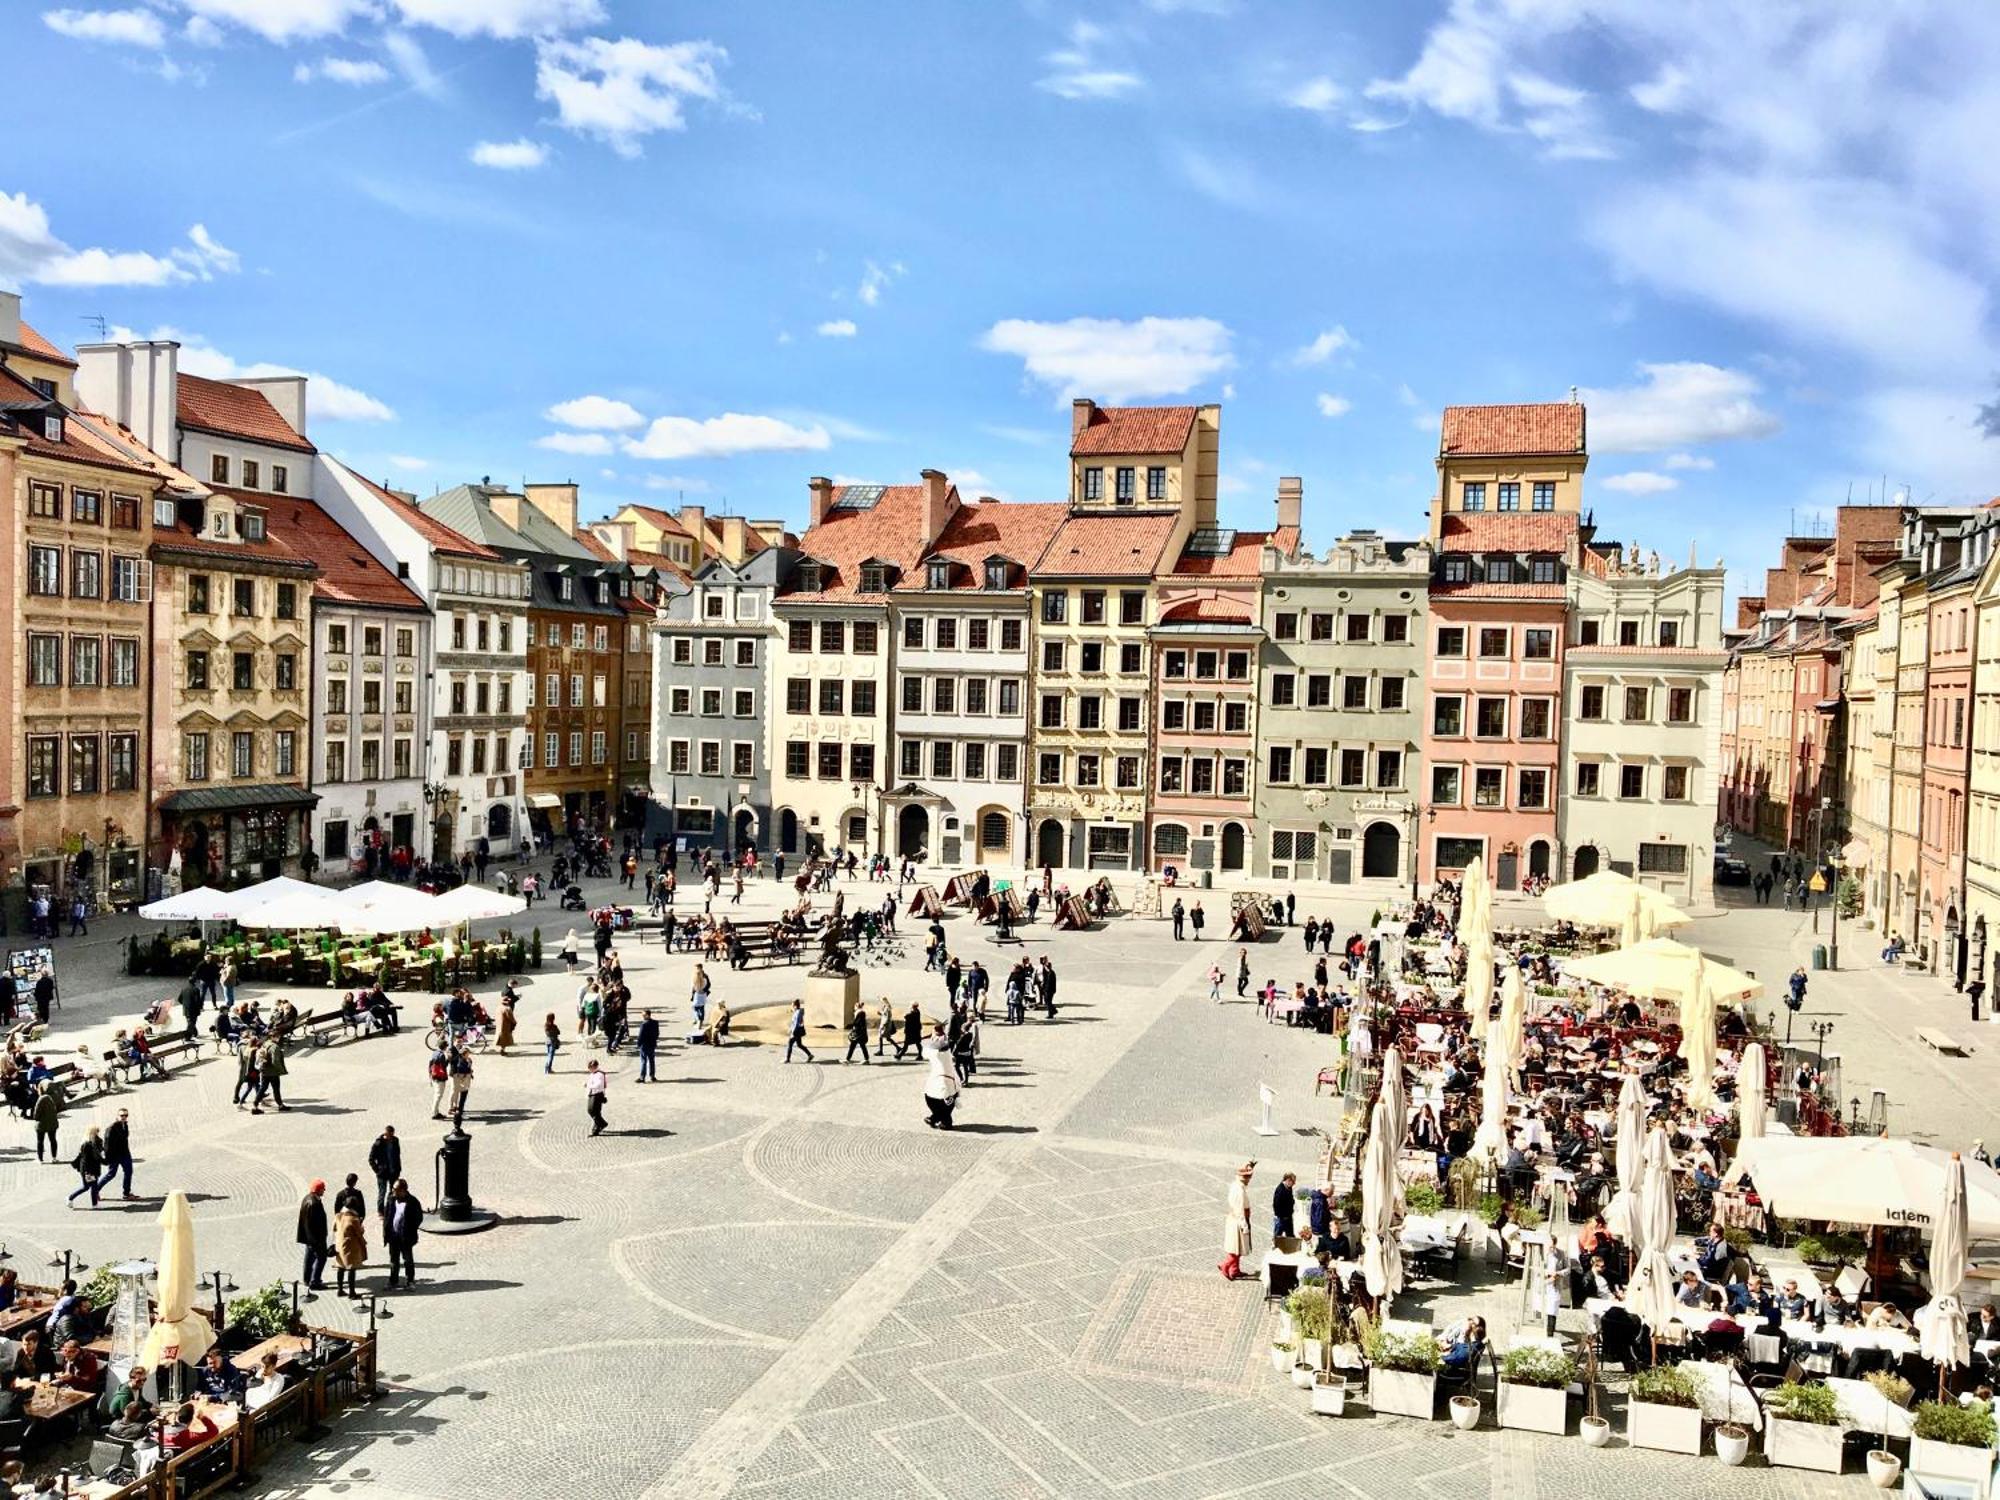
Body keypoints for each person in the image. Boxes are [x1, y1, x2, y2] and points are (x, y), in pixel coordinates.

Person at [383, 1179, 424, 1287]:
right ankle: (393, 1280)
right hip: (393, 1236)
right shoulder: (391, 1199)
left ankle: (410, 1280)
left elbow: (418, 1218)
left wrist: (410, 1229)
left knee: (408, 1260)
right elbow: (387, 1216)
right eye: (393, 1189)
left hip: (406, 1237)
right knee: (393, 1261)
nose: (393, 1191)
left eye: (395, 1190)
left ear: (403, 1190)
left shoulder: (412, 1202)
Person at [1219, 1162, 1254, 1280]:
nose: (1249, 1180)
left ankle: (1235, 1270)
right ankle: (1226, 1266)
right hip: (1238, 1221)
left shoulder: (1237, 1185)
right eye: (1248, 1177)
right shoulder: (1239, 1191)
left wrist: (1249, 1166)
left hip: (1234, 1219)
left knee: (1237, 1247)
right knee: (1236, 1249)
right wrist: (1244, 1226)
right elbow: (1239, 1210)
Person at [333, 1185, 368, 1298]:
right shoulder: (353, 1219)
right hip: (350, 1247)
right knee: (351, 1269)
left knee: (340, 1267)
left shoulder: (338, 1215)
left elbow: (334, 1228)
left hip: (339, 1245)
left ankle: (340, 1290)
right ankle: (352, 1292)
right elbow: (359, 1232)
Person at [297, 1180, 330, 1289]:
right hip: (316, 1238)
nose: (324, 1191)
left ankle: (307, 1279)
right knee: (321, 1258)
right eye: (323, 1189)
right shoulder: (315, 1203)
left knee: (309, 1257)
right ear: (318, 1189)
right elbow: (315, 1224)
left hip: (308, 1237)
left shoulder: (307, 1198)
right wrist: (318, 1239)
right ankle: (315, 1281)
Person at [67, 1124, 106, 1208]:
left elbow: (100, 1151)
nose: (97, 1134)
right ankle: (94, 1204)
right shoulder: (87, 1145)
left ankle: (71, 1198)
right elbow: (85, 1160)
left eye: (98, 1132)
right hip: (88, 1170)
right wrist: (87, 1172)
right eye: (96, 1132)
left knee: (87, 1187)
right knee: (91, 1186)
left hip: (92, 1168)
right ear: (91, 1133)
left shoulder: (97, 1142)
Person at [368, 1125, 401, 1213]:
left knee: (393, 1191)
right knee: (382, 1192)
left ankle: (391, 1207)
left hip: (393, 1171)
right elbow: (371, 1159)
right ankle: (380, 1210)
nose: (391, 1138)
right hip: (382, 1173)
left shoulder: (395, 1141)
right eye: (389, 1136)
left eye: (392, 1135)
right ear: (386, 1134)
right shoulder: (378, 1144)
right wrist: (377, 1170)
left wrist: (398, 1169)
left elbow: (397, 1155)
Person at [784, 999, 813, 1063]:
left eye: (792, 1005)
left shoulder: (798, 1012)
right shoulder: (797, 1011)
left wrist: (792, 1031)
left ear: (795, 1006)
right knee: (799, 1045)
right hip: (797, 1031)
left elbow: (796, 1023)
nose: (791, 1007)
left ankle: (787, 1059)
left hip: (796, 1031)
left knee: (790, 1043)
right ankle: (810, 1055)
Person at [585, 1059, 609, 1136]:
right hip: (592, 1094)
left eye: (590, 1068)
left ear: (594, 1067)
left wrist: (589, 1085)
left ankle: (602, 1124)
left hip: (597, 1094)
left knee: (591, 1110)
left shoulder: (599, 1074)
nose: (589, 1069)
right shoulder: (593, 1074)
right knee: (595, 1112)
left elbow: (598, 1085)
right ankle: (596, 1128)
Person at [1271, 1171, 1296, 1243]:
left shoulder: (1289, 1187)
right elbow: (1276, 1205)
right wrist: (1281, 1216)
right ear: (1288, 1180)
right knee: (1277, 1237)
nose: (1294, 1184)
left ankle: (1291, 1248)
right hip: (1281, 1218)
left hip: (1288, 1216)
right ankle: (1275, 1248)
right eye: (1293, 1182)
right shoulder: (1280, 1190)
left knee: (1290, 1235)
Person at [636, 1010, 659, 1081]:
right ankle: (652, 1076)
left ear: (648, 1015)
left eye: (644, 1015)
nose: (643, 1016)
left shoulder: (644, 1024)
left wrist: (638, 1044)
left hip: (644, 1045)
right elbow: (657, 1033)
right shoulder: (655, 1023)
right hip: (652, 1044)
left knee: (644, 1061)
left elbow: (641, 1035)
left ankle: (642, 1077)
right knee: (652, 1061)